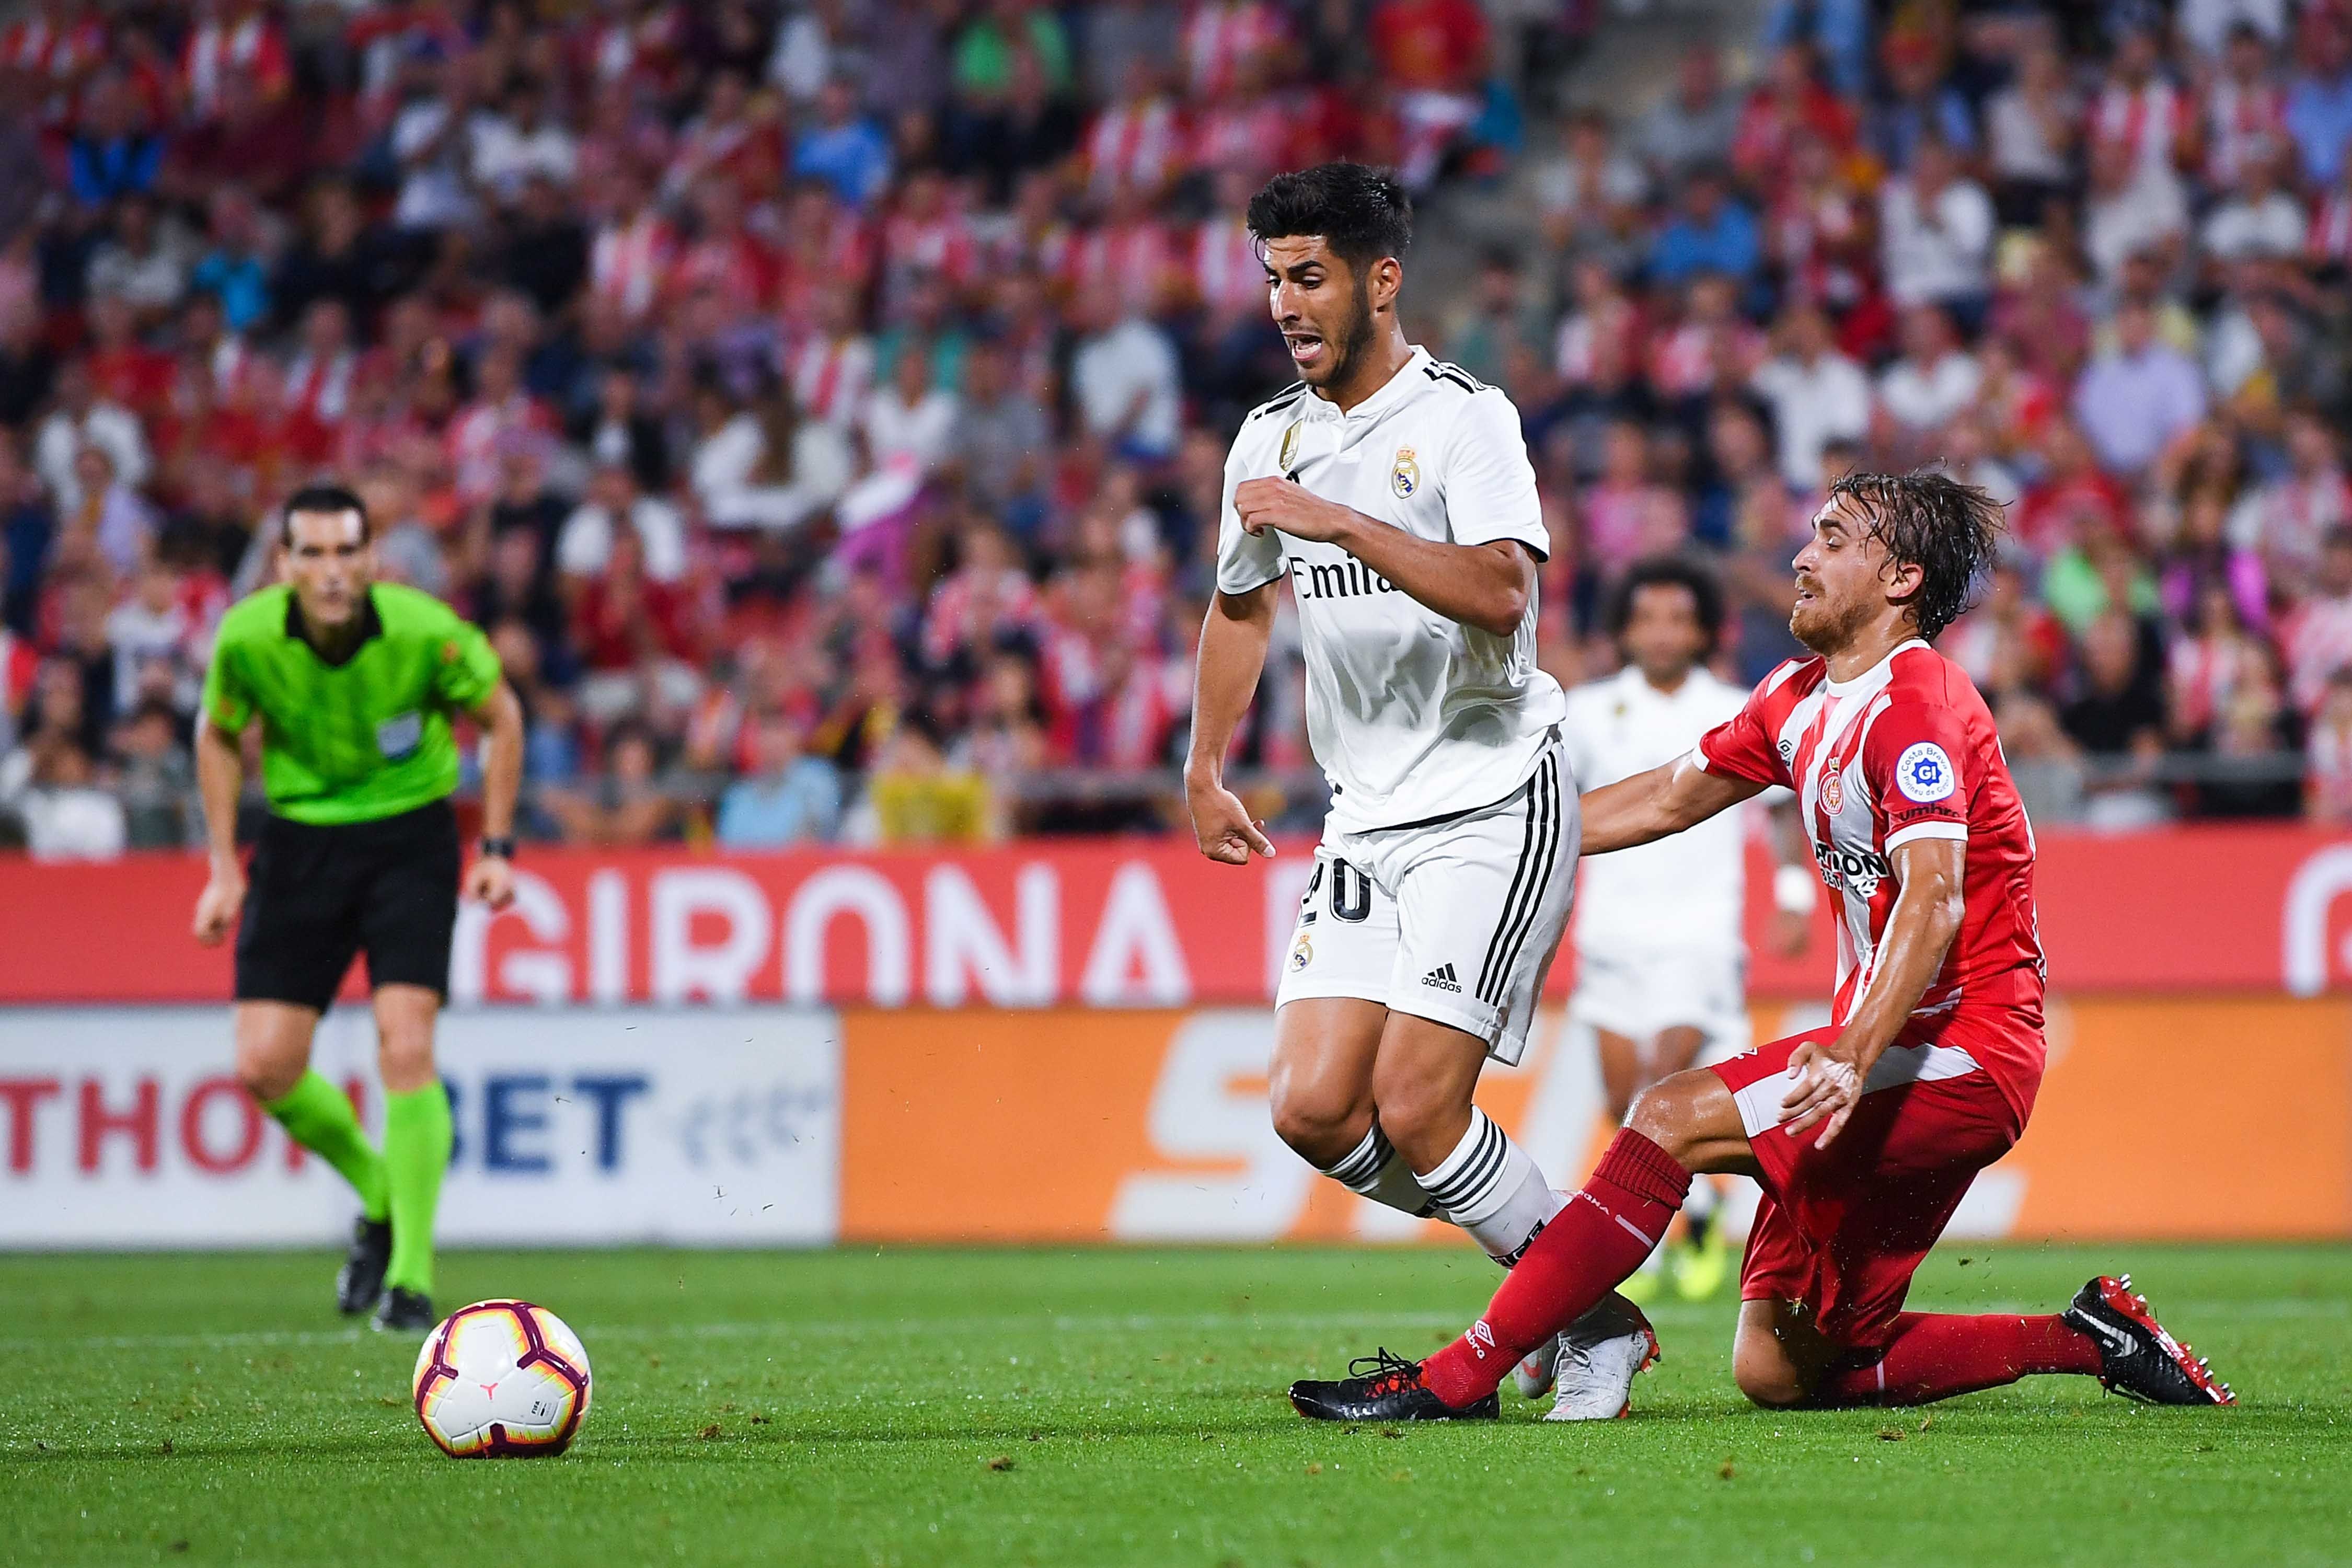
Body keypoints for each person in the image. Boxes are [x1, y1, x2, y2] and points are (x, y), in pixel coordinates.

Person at [1289, 471, 2236, 1422]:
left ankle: (1458, 1378)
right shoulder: (1797, 697)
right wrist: (1489, 832)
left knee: (1666, 1115)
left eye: (1833, 538)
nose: (1802, 556)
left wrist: (1857, 1049)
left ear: (1901, 578)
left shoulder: (1921, 709)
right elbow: (1664, 798)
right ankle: (2086, 1337)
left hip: (1965, 1049)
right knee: (1780, 1369)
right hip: (1888, 1048)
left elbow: (1935, 901)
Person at [1186, 163, 1587, 1375]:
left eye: (1309, 277)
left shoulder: (1468, 418)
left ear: (1382, 279)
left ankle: (1577, 1328)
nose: (1287, 305)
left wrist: (1349, 522)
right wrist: (1205, 764)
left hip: (1490, 794)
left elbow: (1504, 591)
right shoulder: (1267, 440)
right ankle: (1580, 1287)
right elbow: (1241, 607)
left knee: (1418, 1107)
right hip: (1366, 817)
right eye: (1272, 280)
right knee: (1313, 1110)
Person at [192, 485, 524, 1334]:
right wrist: (225, 869)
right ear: (285, 564)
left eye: (349, 553)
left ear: (373, 558)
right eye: (314, 554)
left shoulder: (426, 632)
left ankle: (411, 1281)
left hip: (410, 844)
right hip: (300, 845)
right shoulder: (247, 638)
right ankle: (381, 1195)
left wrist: (495, 848)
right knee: (265, 1066)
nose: (334, 572)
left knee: (405, 1044)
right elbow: (219, 734)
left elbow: (502, 714)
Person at [1557, 558, 1812, 1328]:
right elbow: (1560, 812)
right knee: (1619, 1101)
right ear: (1625, 629)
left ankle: (1635, 1243)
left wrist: (1796, 895)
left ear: (1703, 629)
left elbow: (1778, 811)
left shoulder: (1737, 708)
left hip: (1699, 933)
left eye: (1678, 617)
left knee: (1659, 1079)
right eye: (1647, 617)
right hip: (1610, 936)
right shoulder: (1586, 712)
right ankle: (1696, 1216)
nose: (1662, 631)